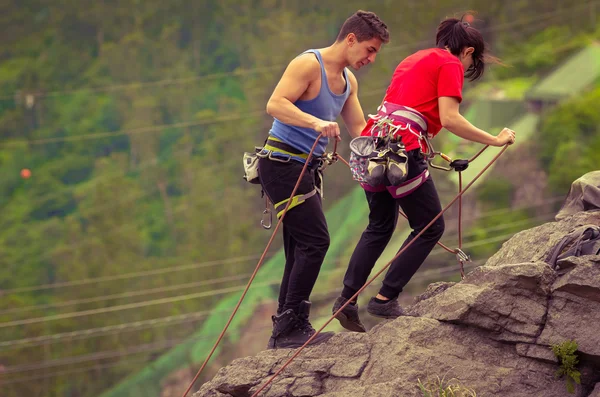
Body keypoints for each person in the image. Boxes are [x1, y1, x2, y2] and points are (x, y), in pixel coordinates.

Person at [332, 15, 516, 332]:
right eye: (472, 58)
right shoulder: (450, 64)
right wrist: (495, 140)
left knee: (379, 226)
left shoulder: (415, 58)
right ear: (467, 51)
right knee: (430, 226)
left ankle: (345, 301)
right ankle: (385, 298)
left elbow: (409, 108)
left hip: (374, 145)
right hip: (403, 150)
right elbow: (450, 118)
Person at [258, 10, 390, 349]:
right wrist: (315, 123)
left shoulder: (349, 82)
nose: (371, 59)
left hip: (306, 169)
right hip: (282, 163)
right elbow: (275, 104)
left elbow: (359, 129)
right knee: (316, 242)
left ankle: (284, 328)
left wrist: (388, 138)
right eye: (369, 50)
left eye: (375, 53)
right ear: (350, 39)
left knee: (300, 247)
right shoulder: (307, 65)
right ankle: (292, 324)